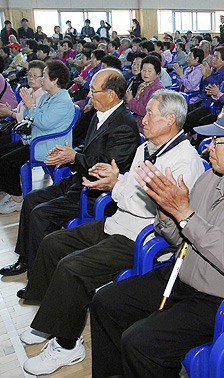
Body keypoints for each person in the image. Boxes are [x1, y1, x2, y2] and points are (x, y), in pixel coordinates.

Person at [89, 102, 224, 378]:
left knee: (141, 342)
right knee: (106, 301)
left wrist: (184, 212)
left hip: (222, 297)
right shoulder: (211, 179)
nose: (208, 147)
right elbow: (177, 238)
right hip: (182, 275)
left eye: (217, 141)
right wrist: (165, 209)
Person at [18, 90, 204, 376]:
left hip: (144, 237)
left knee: (73, 268)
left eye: (150, 114)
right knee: (53, 243)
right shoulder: (149, 147)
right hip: (120, 222)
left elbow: (150, 210)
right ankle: (51, 322)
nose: (143, 118)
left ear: (169, 120)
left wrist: (114, 187)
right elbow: (132, 185)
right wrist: (118, 179)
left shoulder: (182, 161)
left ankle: (68, 346)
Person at [0, 68, 140, 277]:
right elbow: (90, 148)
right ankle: (27, 259)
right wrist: (73, 152)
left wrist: (73, 157)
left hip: (96, 190)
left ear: (111, 95)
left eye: (93, 91)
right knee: (30, 199)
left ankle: (42, 274)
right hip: (81, 180)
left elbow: (105, 166)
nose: (89, 95)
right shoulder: (100, 113)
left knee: (41, 213)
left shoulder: (124, 125)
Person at [0, 60, 74, 213]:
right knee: (3, 154)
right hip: (37, 140)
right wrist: (30, 107)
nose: (41, 80)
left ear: (54, 80)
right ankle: (11, 192)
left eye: (44, 76)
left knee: (6, 162)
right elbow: (31, 118)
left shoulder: (62, 101)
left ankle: (17, 198)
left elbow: (44, 123)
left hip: (48, 145)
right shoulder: (49, 96)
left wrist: (31, 106)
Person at [182, 46, 224, 133]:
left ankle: (190, 136)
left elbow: (215, 89)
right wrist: (204, 77)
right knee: (183, 111)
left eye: (217, 57)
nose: (213, 59)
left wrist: (207, 77)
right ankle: (189, 134)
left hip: (212, 104)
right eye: (214, 56)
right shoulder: (212, 70)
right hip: (203, 99)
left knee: (190, 118)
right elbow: (202, 89)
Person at [125, 55, 165, 133]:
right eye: (143, 70)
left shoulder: (158, 89)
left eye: (149, 71)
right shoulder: (143, 85)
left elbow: (146, 111)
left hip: (146, 126)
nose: (146, 74)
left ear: (158, 73)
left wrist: (130, 101)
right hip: (137, 121)